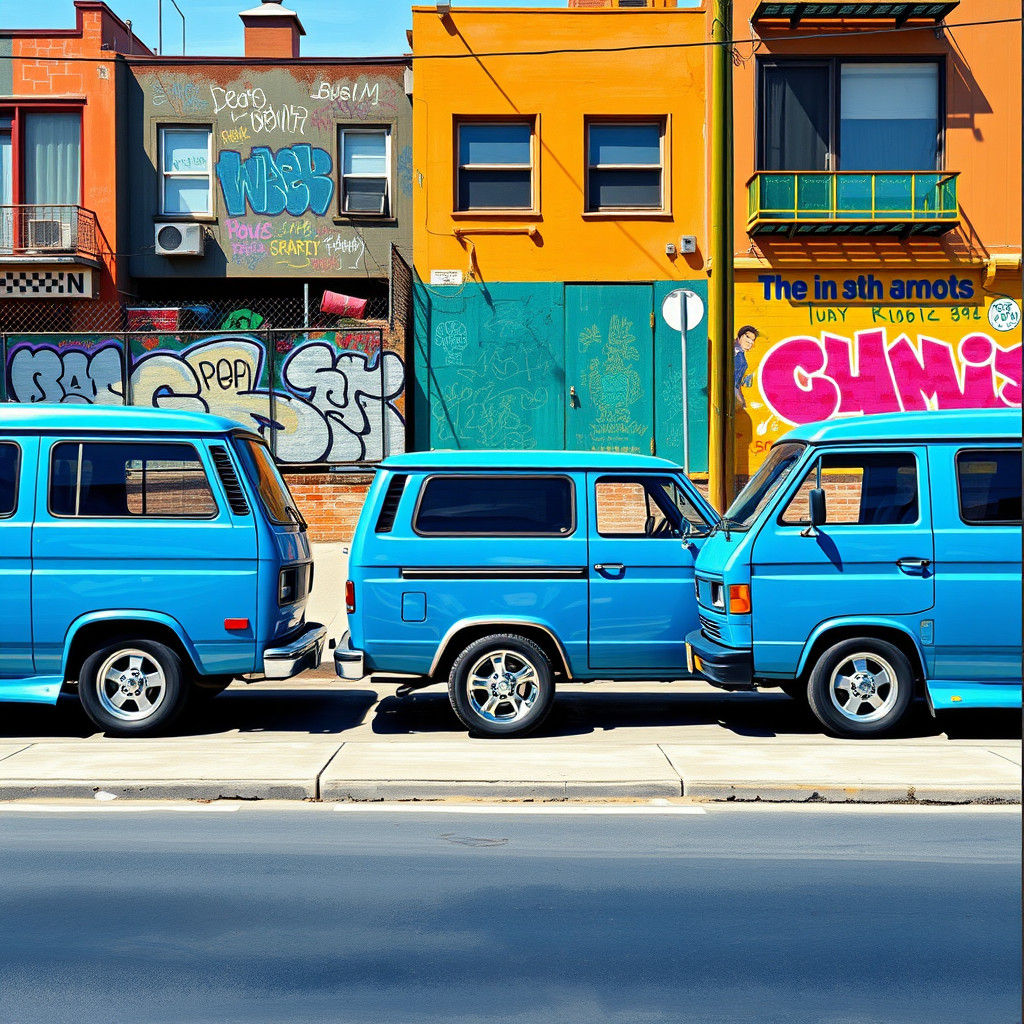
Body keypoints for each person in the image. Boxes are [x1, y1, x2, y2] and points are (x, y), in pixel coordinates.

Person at [734, 325, 759, 409]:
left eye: (752, 340)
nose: (750, 342)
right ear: (739, 336)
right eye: (747, 337)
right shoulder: (735, 352)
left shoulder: (740, 353)